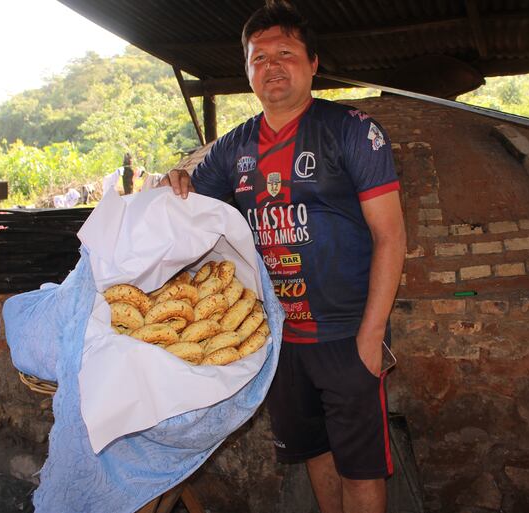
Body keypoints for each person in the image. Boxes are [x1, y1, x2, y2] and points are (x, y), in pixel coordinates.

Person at [161, 3, 406, 512]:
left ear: (313, 63)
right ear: (248, 70)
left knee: (361, 465)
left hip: (345, 335)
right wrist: (177, 185)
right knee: (315, 453)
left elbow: (391, 238)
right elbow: (191, 214)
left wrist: (371, 337)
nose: (271, 66)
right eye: (258, 57)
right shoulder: (233, 149)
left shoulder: (353, 131)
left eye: (285, 53)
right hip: (278, 339)